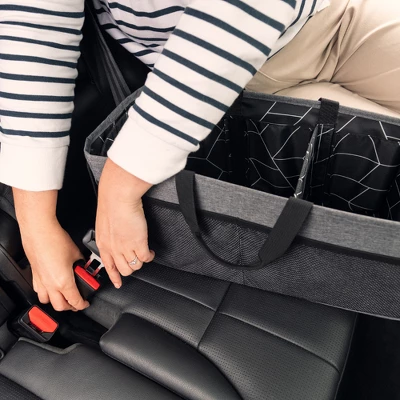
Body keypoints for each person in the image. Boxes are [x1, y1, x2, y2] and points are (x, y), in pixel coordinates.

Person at [0, 0, 399, 312]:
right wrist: (36, 227)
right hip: (225, 84)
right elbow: (33, 30)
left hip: (330, 17)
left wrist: (119, 187)